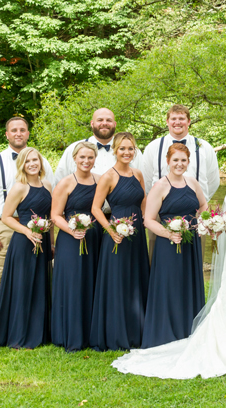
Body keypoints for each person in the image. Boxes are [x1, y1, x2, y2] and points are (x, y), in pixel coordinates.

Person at [111, 139, 226, 379]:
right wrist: (205, 225)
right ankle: (180, 332)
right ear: (168, 162)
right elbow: (149, 218)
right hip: (220, 245)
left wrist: (212, 223)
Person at [0, 117, 54, 347]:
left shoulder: (42, 162)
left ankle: (36, 326)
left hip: (40, 229)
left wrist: (49, 236)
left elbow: (48, 196)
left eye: (22, 130)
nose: (18, 133)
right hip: (5, 226)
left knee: (37, 278)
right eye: (14, 130)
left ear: (28, 133)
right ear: (7, 134)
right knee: (0, 279)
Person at [141, 143, 208, 348]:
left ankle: (190, 329)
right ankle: (168, 331)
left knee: (189, 283)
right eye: (175, 160)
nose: (179, 164)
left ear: (188, 162)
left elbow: (203, 205)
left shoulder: (193, 182)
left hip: (191, 242)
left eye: (183, 160)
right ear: (168, 162)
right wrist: (169, 233)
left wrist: (199, 221)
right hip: (169, 245)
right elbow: (148, 220)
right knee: (170, 285)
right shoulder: (160, 186)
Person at [89, 132, 149, 351]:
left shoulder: (139, 174)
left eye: (130, 148)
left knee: (136, 279)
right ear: (115, 150)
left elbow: (143, 201)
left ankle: (137, 331)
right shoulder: (108, 176)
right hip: (117, 236)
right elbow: (96, 208)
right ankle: (116, 332)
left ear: (135, 151)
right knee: (118, 280)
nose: (126, 152)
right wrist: (111, 230)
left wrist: (142, 222)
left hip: (137, 235)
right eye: (122, 148)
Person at [0, 148, 53, 349]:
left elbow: (49, 218)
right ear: (22, 165)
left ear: (40, 163)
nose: (33, 164)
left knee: (40, 285)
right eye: (28, 161)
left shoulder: (48, 186)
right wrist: (27, 232)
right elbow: (6, 216)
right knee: (23, 286)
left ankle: (39, 333)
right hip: (23, 243)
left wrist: (50, 242)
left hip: (42, 242)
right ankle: (19, 334)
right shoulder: (19, 187)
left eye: (35, 160)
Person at [141, 104, 220, 261]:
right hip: (160, 215)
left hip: (195, 215)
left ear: (189, 121)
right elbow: (146, 179)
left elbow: (213, 180)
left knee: (194, 258)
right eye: (174, 119)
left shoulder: (204, 147)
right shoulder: (153, 147)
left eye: (182, 119)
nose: (177, 122)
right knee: (157, 259)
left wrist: (198, 204)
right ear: (167, 121)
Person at [50, 142, 103, 351]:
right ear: (74, 158)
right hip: (70, 239)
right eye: (82, 157)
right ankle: (70, 332)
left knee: (92, 280)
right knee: (73, 282)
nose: (86, 161)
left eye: (90, 158)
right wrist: (72, 230)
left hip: (95, 237)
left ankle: (92, 332)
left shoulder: (100, 181)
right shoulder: (65, 183)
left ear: (95, 159)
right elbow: (55, 215)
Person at [52, 108, 142, 185]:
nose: (104, 123)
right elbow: (59, 182)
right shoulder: (73, 149)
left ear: (115, 124)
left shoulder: (131, 151)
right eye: (100, 120)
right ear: (92, 123)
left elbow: (142, 182)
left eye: (109, 120)